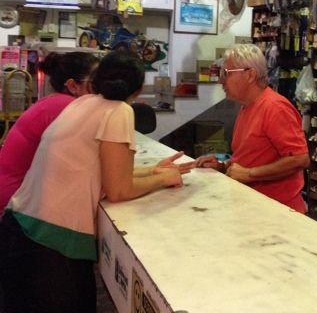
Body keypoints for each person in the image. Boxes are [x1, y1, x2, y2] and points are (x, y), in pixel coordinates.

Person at [0, 51, 193, 313]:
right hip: (52, 245)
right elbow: (119, 189)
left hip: (19, 228)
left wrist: (154, 172)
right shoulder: (120, 111)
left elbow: (98, 172)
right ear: (137, 91)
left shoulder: (82, 103)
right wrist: (163, 179)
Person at [197, 43, 310, 213]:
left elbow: (299, 159)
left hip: (279, 213)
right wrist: (223, 165)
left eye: (226, 73)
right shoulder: (247, 106)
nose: (221, 80)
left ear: (250, 75)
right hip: (253, 206)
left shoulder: (275, 108)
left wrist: (249, 174)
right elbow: (253, 156)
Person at [0, 51, 100, 214]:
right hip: (15, 202)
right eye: (96, 82)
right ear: (73, 85)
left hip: (15, 193)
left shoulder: (55, 102)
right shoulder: (67, 107)